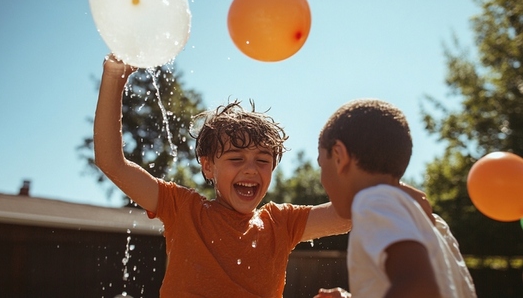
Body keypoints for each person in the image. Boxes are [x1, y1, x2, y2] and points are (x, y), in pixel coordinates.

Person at [94, 54, 429, 297]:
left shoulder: (280, 225)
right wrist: (115, 77)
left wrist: (392, 192)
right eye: (236, 158)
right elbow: (111, 162)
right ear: (208, 166)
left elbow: (347, 211)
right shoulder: (182, 208)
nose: (251, 169)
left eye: (262, 160)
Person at [313, 99, 476, 298]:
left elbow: (419, 288)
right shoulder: (431, 224)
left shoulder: (372, 202)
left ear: (339, 156)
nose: (322, 179)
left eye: (322, 164)